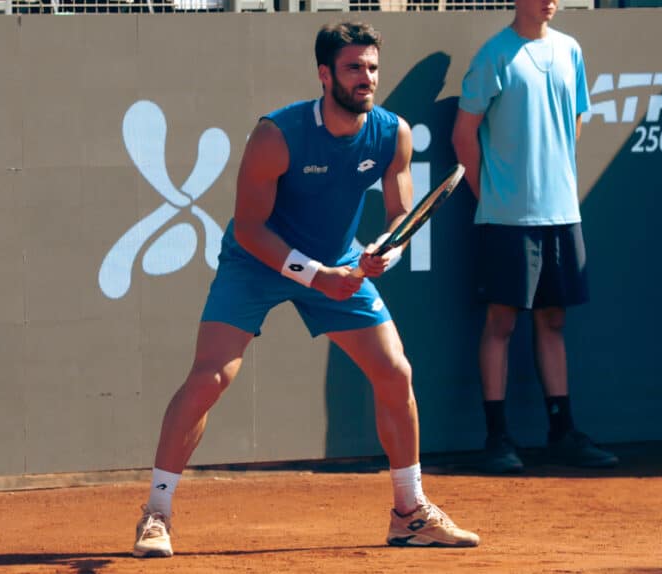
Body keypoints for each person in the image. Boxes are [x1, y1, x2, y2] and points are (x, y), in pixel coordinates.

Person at [133, 21, 480, 558]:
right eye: (353, 68)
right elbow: (249, 227)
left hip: (338, 258)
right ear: (325, 75)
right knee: (211, 377)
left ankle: (409, 513)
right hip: (256, 261)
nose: (365, 78)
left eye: (371, 68)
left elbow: (399, 218)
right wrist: (314, 276)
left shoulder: (392, 133)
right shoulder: (278, 135)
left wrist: (387, 250)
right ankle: (156, 513)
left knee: (395, 372)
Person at [451, 0, 619, 474]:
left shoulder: (570, 50)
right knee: (500, 324)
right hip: (506, 220)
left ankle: (562, 431)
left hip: (562, 215)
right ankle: (497, 438)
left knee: (553, 321)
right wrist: (495, 197)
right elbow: (464, 137)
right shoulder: (494, 56)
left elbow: (575, 121)